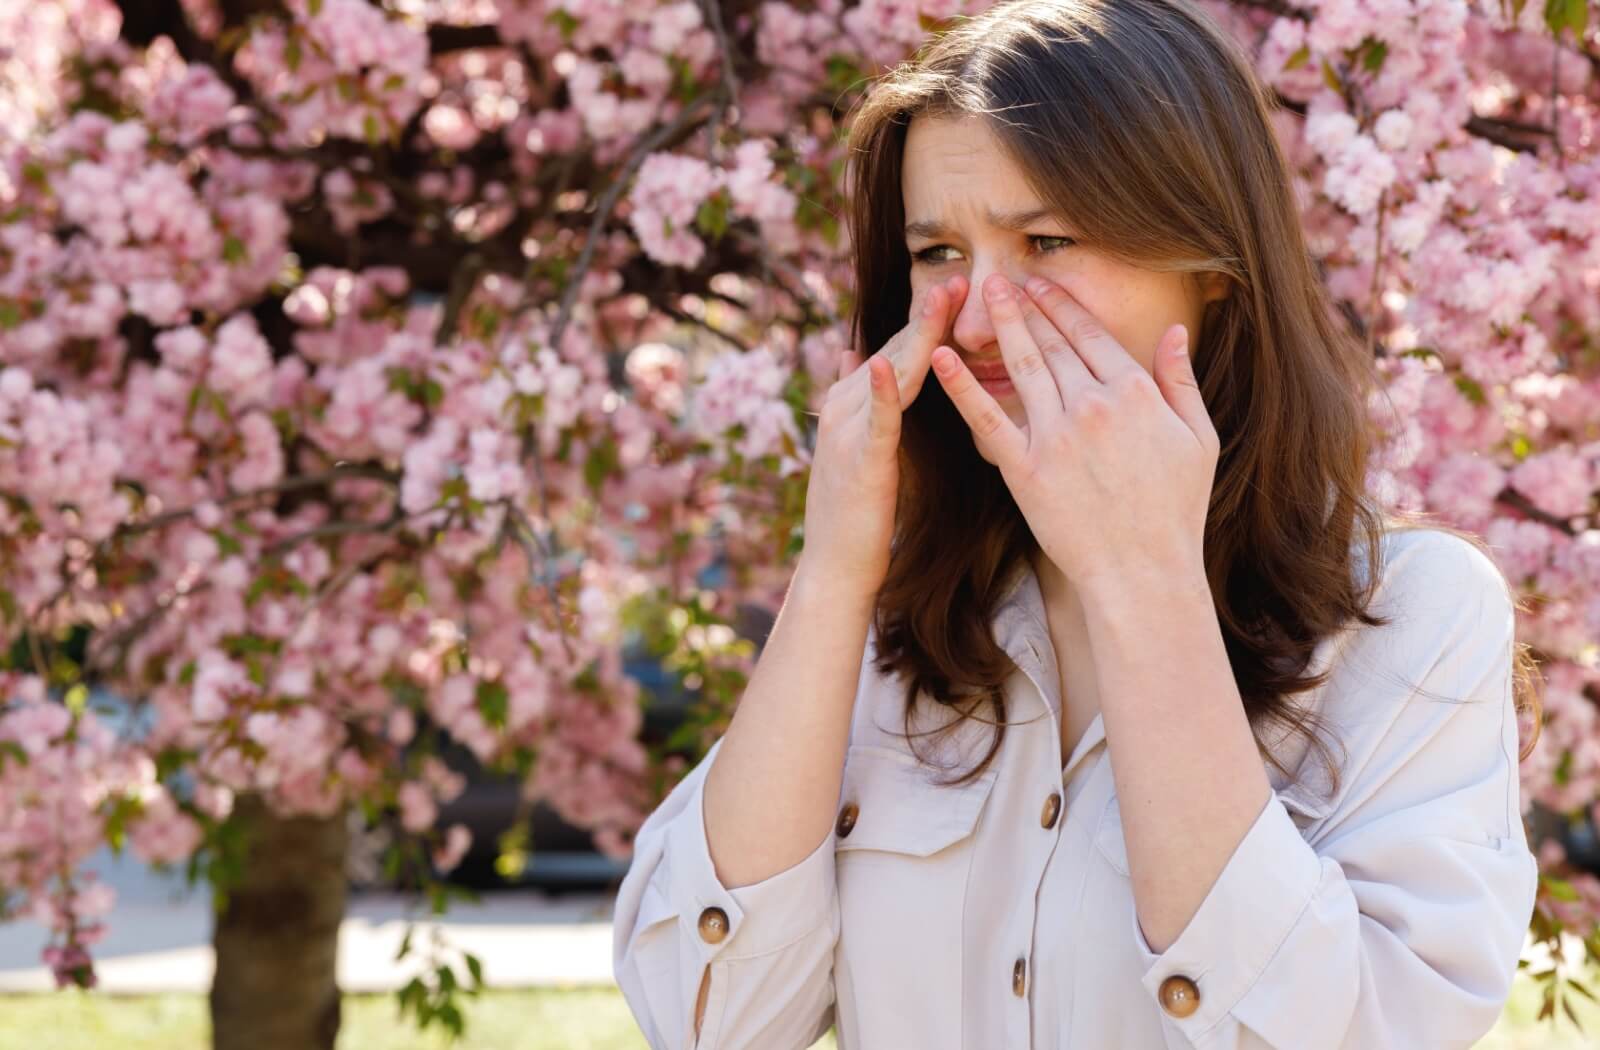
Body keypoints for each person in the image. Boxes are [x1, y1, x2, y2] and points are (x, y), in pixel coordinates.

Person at [610, 0, 1544, 1046]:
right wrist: (832, 575)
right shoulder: (899, 621)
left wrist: (1143, 582)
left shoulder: (1413, 618)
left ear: (1213, 268)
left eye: (1046, 239)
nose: (976, 311)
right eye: (936, 253)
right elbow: (707, 1018)